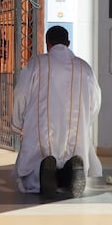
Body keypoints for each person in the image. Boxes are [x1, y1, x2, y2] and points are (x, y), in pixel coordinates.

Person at [12, 25, 102, 198]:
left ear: (48, 44)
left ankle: (45, 171)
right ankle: (71, 169)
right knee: (74, 152)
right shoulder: (85, 68)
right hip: (75, 137)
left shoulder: (37, 64)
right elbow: (95, 101)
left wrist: (19, 122)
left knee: (34, 169)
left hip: (42, 137)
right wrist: (85, 121)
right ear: (68, 43)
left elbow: (21, 93)